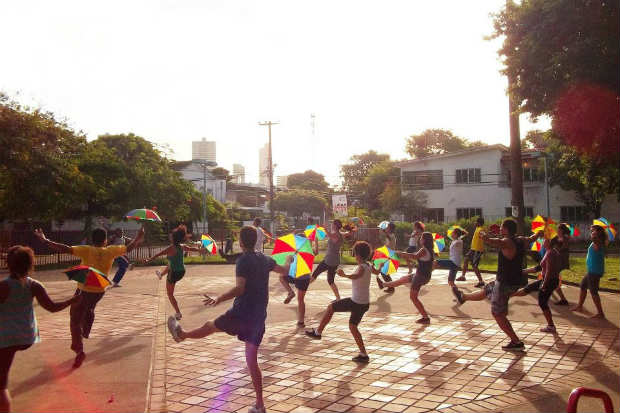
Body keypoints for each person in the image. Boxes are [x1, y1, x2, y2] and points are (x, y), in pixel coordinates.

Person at [166, 226, 292, 413]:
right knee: (252, 361)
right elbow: (284, 270)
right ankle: (260, 405)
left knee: (210, 326)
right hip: (258, 317)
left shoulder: (243, 261)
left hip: (241, 314)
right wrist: (290, 259)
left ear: (241, 242)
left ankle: (182, 335)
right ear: (257, 240)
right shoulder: (266, 260)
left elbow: (240, 288)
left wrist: (218, 298)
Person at [33, 226, 144, 368]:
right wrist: (138, 237)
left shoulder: (86, 250)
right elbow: (129, 248)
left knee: (74, 320)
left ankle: (79, 349)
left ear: (93, 239)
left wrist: (45, 240)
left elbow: (65, 248)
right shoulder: (111, 251)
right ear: (105, 241)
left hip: (83, 290)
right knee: (89, 307)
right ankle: (86, 327)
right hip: (100, 290)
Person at [0, 246, 80, 412]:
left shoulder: (4, 286)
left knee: (1, 384)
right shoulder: (34, 285)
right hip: (26, 336)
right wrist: (71, 301)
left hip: (6, 338)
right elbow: (52, 307)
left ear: (8, 264)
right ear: (30, 265)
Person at [451, 219, 530, 351]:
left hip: (505, 282)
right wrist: (539, 234)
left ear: (506, 229)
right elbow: (532, 237)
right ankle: (463, 296)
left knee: (497, 313)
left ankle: (516, 342)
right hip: (513, 280)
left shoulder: (506, 242)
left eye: (502, 227)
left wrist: (483, 236)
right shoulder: (520, 239)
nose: (499, 229)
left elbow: (494, 242)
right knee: (487, 290)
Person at [305, 241, 373, 363]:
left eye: (354, 253)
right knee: (353, 326)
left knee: (331, 307)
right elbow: (375, 272)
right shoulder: (368, 265)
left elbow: (357, 276)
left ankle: (318, 332)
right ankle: (363, 354)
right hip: (364, 303)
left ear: (358, 255)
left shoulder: (362, 267)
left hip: (356, 302)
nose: (354, 255)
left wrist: (345, 275)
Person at [143, 225, 204, 321]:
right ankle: (161, 275)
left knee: (170, 294)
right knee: (170, 263)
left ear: (174, 238)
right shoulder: (182, 246)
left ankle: (178, 312)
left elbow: (159, 254)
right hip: (182, 271)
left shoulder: (171, 248)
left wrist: (149, 260)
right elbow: (191, 249)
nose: (169, 236)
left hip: (174, 273)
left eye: (171, 236)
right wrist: (200, 250)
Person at [377, 232, 435, 324]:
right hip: (422, 275)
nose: (420, 239)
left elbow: (415, 256)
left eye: (421, 238)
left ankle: (425, 317)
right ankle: (383, 284)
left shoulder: (424, 250)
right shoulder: (429, 250)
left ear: (424, 240)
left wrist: (401, 253)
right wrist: (405, 256)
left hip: (420, 276)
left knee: (413, 297)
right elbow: (418, 258)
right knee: (403, 279)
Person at [513, 236, 562, 332]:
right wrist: (522, 271)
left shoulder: (551, 253)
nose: (543, 241)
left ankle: (551, 326)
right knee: (527, 289)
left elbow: (549, 271)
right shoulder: (549, 252)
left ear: (549, 242)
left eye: (545, 240)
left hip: (549, 281)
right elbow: (538, 268)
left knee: (542, 302)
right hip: (548, 280)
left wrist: (544, 284)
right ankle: (509, 294)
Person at [571, 225, 607, 319]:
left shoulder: (598, 243)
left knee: (593, 291)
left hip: (595, 271)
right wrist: (594, 231)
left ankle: (600, 313)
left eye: (593, 232)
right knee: (583, 285)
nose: (591, 233)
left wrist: (594, 234)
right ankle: (580, 306)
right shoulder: (597, 241)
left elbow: (595, 240)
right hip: (592, 270)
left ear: (598, 234)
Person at [310, 219, 345, 300]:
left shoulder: (336, 235)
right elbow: (330, 236)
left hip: (330, 260)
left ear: (335, 226)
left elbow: (331, 236)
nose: (331, 225)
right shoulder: (338, 234)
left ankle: (303, 287)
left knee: (316, 273)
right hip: (333, 260)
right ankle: (338, 298)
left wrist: (324, 229)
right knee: (330, 280)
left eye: (332, 224)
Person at [457, 217, 486, 287]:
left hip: (477, 250)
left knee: (474, 265)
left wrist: (484, 236)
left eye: (476, 222)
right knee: (466, 260)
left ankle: (481, 281)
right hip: (473, 249)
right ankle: (463, 276)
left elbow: (483, 235)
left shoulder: (480, 229)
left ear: (478, 223)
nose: (475, 223)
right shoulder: (477, 229)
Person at [378, 222, 397, 293]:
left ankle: (390, 287)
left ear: (391, 229)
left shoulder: (391, 235)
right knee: (384, 272)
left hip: (389, 255)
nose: (386, 228)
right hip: (387, 254)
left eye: (388, 227)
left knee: (384, 272)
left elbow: (388, 238)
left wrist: (383, 232)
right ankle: (390, 287)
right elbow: (386, 243)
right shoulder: (389, 235)